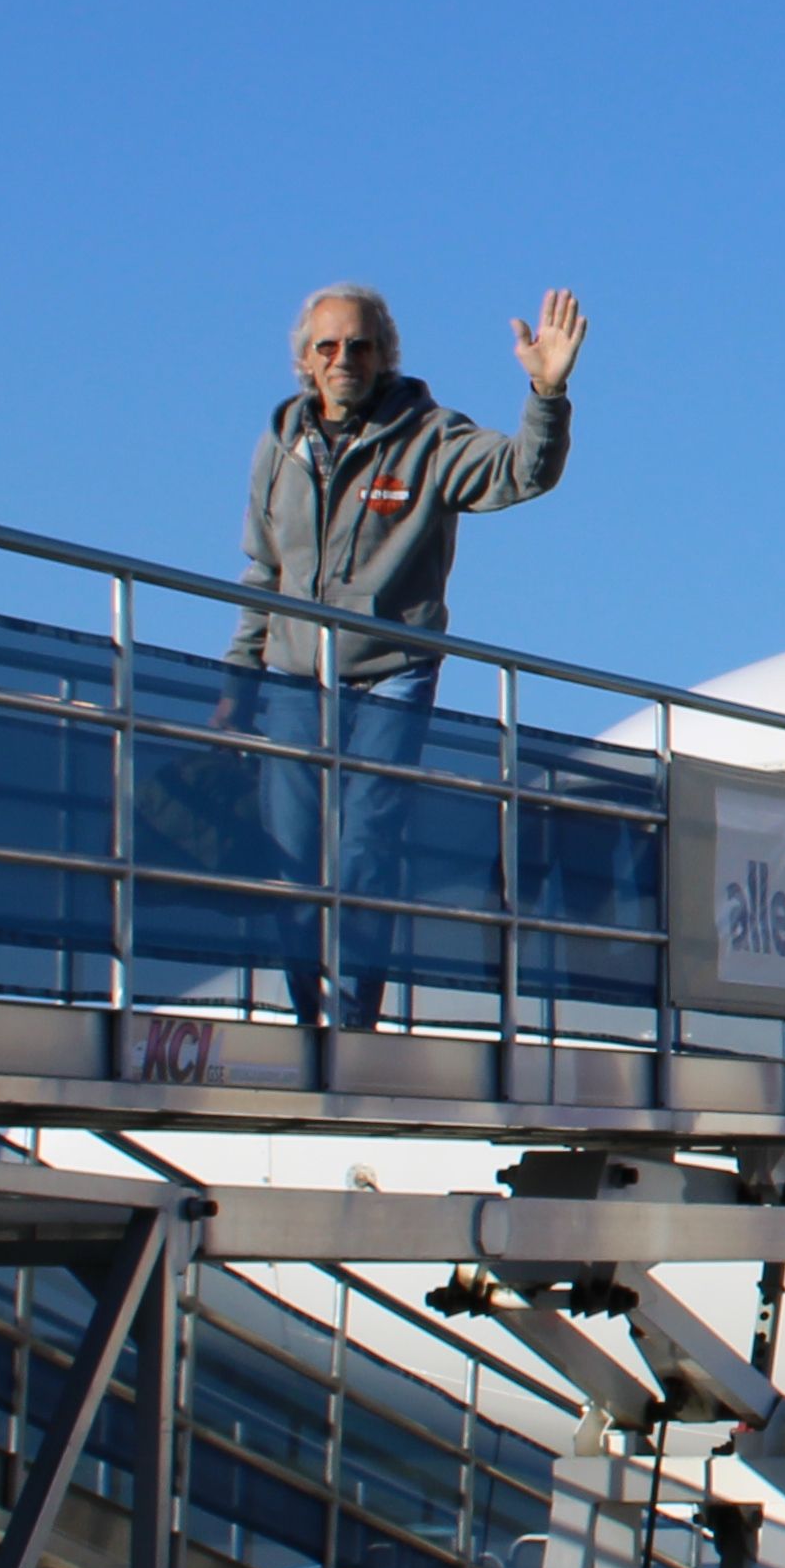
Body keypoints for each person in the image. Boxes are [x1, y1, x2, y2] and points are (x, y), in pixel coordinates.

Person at [223, 284, 587, 1028]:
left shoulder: (428, 436)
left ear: (385, 354)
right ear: (304, 360)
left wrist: (546, 391)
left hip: (392, 672)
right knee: (292, 856)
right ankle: (307, 1018)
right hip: (295, 675)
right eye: (328, 347)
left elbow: (523, 471)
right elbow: (262, 571)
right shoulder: (279, 445)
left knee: (363, 846)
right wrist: (237, 678)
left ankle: (353, 1018)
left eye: (359, 345)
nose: (343, 359)